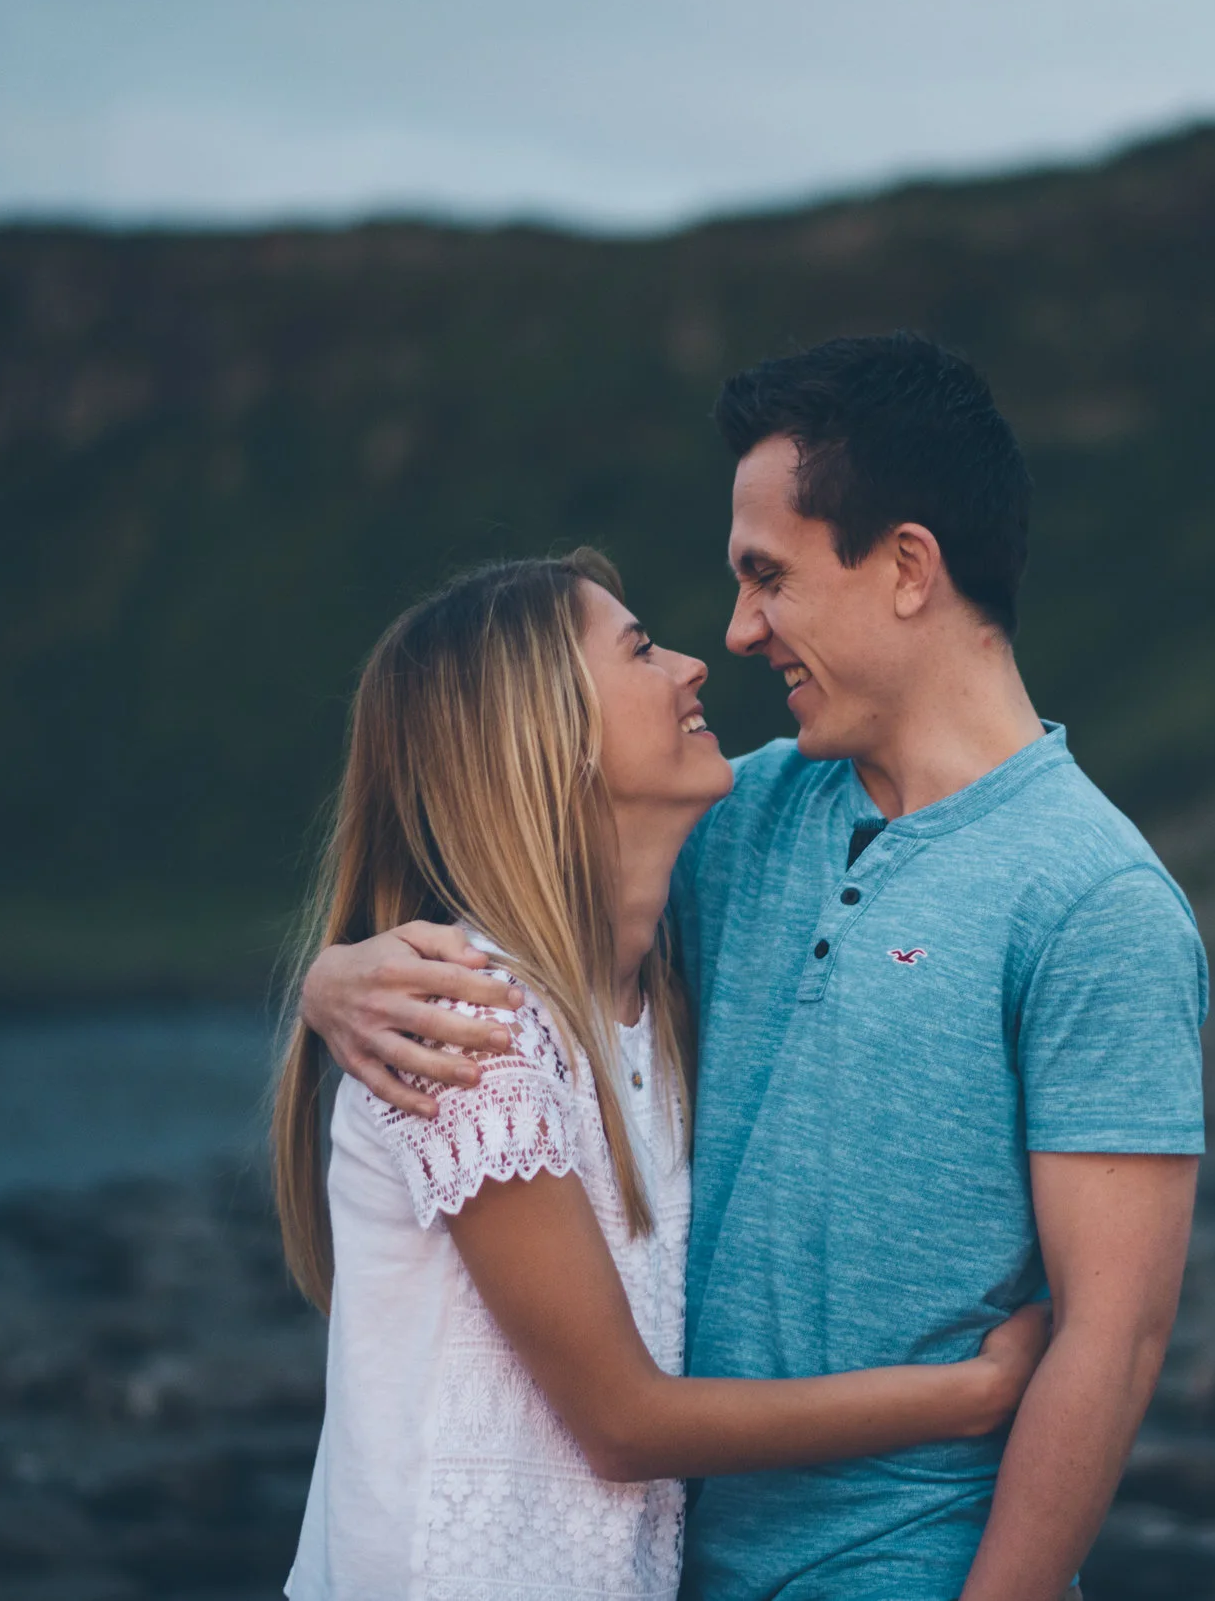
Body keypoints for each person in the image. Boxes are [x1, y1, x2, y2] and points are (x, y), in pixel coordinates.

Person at [305, 334, 1207, 1599]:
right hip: (660, 1558)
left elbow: (1113, 1341)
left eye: (766, 577)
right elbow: (518, 874)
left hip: (904, 1563)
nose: (733, 633)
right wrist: (337, 978)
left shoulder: (1096, 900)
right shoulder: (734, 813)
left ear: (905, 569)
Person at [274, 549, 1049, 1601]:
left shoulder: (654, 997)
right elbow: (624, 1423)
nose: (693, 664)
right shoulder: (472, 1027)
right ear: (548, 737)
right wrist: (968, 1395)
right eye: (640, 649)